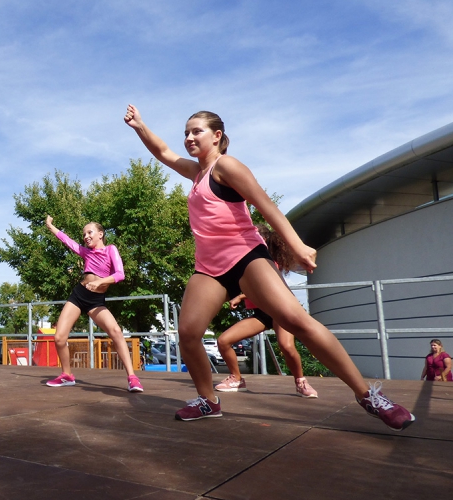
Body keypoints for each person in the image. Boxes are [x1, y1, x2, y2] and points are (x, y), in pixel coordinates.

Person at [124, 104, 414, 430]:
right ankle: (209, 400)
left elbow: (266, 205)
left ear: (217, 136)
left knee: (296, 321)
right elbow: (162, 151)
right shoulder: (196, 173)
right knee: (188, 333)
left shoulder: (227, 166)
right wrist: (140, 127)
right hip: (209, 268)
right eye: (186, 133)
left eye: (196, 131)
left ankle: (367, 395)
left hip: (246, 257)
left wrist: (297, 245)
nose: (189, 137)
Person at [44, 215, 144, 393]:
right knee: (59, 337)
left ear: (100, 234)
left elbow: (120, 274)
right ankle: (67, 375)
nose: (86, 236)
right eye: (83, 234)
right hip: (79, 295)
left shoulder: (111, 250)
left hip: (95, 301)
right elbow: (67, 241)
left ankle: (132, 378)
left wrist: (99, 283)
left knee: (116, 332)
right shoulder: (85, 252)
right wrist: (51, 226)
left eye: (89, 232)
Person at [215, 225, 318, 398]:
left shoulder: (267, 263)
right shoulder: (242, 263)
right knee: (224, 341)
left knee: (286, 346)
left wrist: (240, 297)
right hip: (262, 314)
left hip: (280, 311)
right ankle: (237, 379)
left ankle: (301, 382)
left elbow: (265, 289)